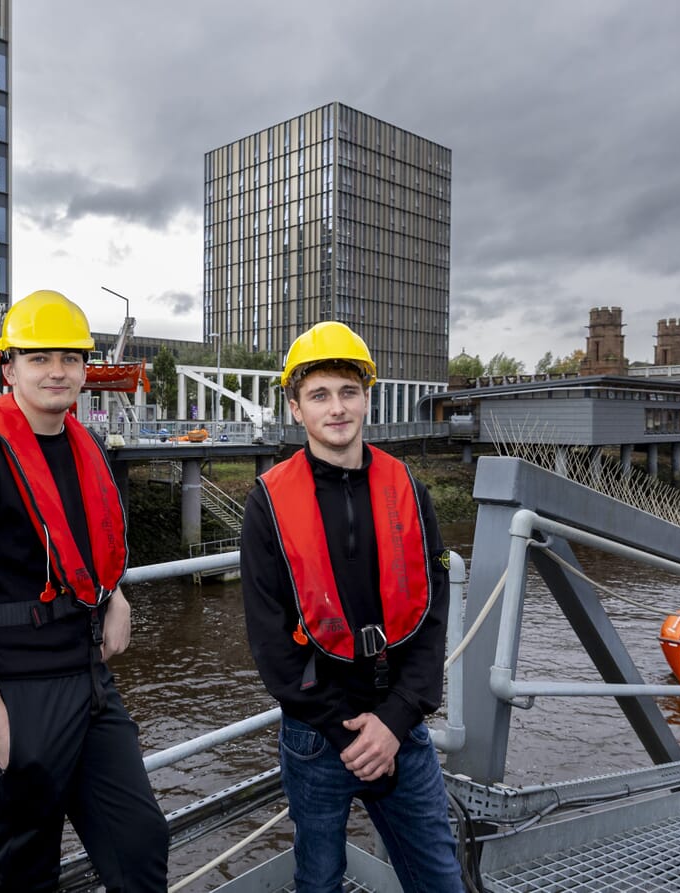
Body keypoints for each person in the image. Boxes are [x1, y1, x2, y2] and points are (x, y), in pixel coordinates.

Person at [0, 289, 169, 892]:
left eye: (70, 358)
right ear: (9, 368)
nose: (57, 371)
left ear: (84, 369)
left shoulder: (89, 450)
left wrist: (118, 597)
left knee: (140, 843)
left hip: (87, 682)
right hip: (13, 692)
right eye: (39, 358)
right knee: (25, 872)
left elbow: (94, 550)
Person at [240, 321, 463, 893]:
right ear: (295, 408)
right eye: (319, 395)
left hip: (402, 726)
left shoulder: (407, 488)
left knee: (439, 878)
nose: (336, 408)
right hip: (318, 733)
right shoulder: (269, 503)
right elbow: (270, 642)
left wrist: (393, 722)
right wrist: (350, 735)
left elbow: (431, 615)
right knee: (319, 881)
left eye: (348, 392)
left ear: (366, 397)